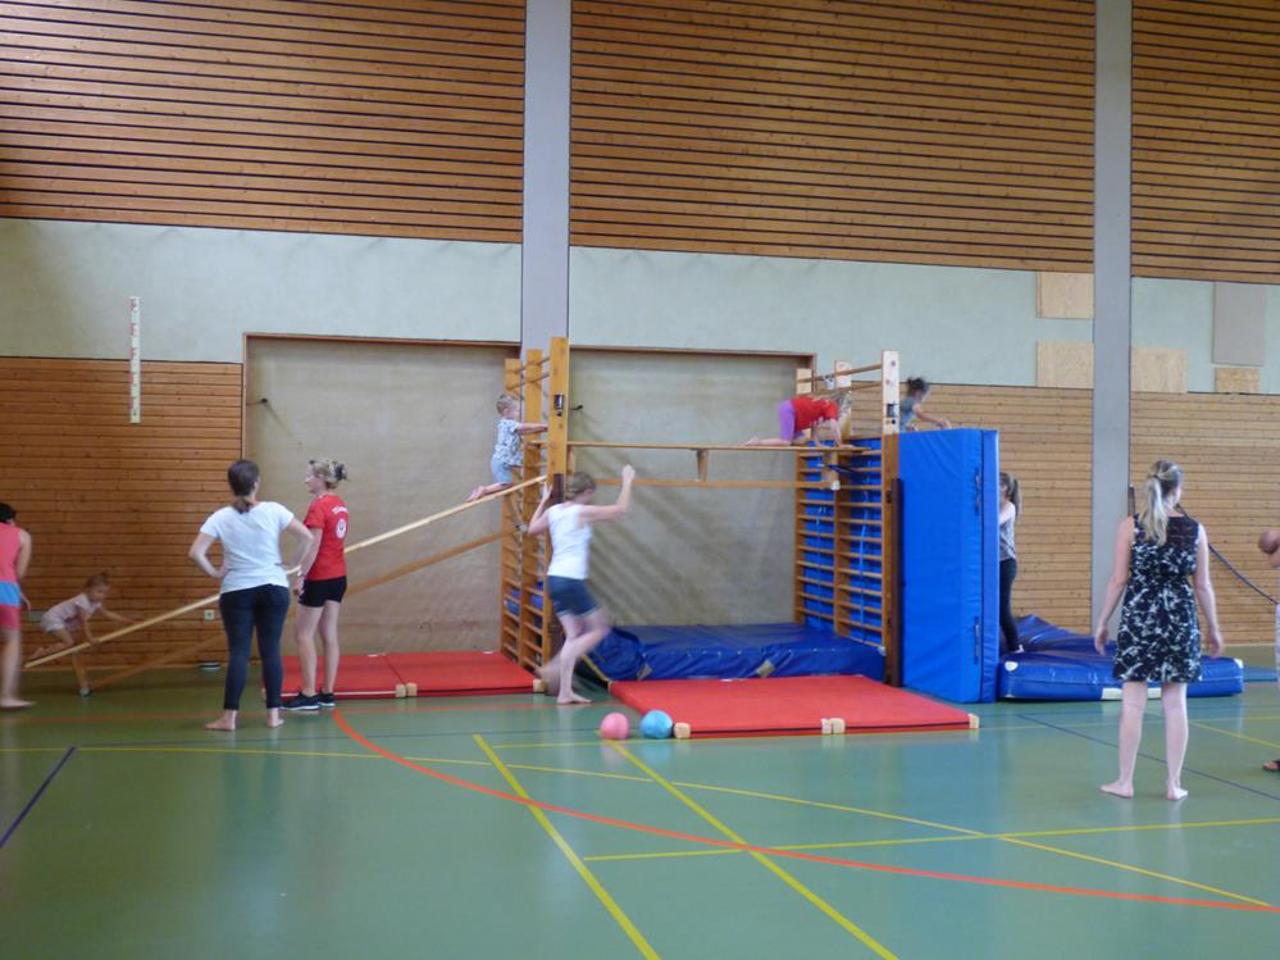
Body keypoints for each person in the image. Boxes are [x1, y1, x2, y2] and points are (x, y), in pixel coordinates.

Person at [1092, 460, 1223, 801]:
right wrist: (1214, 628)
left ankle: (1125, 781)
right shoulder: (1195, 530)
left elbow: (1118, 579)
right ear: (1177, 490)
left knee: (1133, 703)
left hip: (1141, 618)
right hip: (1180, 619)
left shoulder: (1131, 527)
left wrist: (1103, 621)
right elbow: (1203, 585)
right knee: (1176, 704)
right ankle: (1173, 784)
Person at [189, 460, 315, 732]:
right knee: (270, 651)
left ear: (231, 486)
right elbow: (307, 537)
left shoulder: (220, 517)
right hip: (273, 586)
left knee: (239, 652)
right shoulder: (274, 510)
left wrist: (215, 572)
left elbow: (196, 552)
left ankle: (229, 718)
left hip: (236, 590)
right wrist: (291, 564)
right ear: (256, 483)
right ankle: (273, 716)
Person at [527, 467, 635, 705]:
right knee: (599, 628)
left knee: (574, 633)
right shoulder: (580, 511)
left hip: (554, 579)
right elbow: (620, 510)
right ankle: (554, 667)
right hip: (570, 580)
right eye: (590, 495)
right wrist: (627, 481)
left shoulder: (554, 511)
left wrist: (543, 502)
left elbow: (531, 529)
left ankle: (565, 692)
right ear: (586, 492)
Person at [285, 459, 349, 712]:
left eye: (309, 476)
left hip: (319, 577)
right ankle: (327, 692)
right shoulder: (340, 504)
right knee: (329, 633)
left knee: (303, 634)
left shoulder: (319, 506)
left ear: (322, 478)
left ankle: (309, 693)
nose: (306, 480)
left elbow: (313, 546)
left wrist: (301, 575)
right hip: (338, 576)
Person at [32, 572, 136, 695]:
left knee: (72, 644)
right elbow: (83, 622)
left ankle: (45, 652)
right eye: (99, 592)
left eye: (104, 593)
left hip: (63, 622)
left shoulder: (96, 603)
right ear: (87, 590)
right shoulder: (82, 601)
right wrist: (90, 638)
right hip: (53, 619)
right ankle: (41, 652)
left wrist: (129, 621)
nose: (102, 596)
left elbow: (108, 614)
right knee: (69, 643)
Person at [467, 393, 547, 502]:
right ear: (507, 412)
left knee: (506, 483)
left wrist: (541, 429)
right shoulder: (509, 424)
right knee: (506, 484)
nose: (519, 413)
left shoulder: (505, 425)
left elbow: (524, 431)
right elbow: (524, 427)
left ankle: (477, 493)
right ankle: (484, 490)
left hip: (501, 461)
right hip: (501, 462)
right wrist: (542, 425)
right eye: (517, 410)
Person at [0, 503, 33, 710]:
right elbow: (18, 573)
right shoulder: (22, 535)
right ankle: (5, 696)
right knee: (11, 641)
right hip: (6, 591)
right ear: (10, 519)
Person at [746, 392, 850, 446]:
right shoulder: (831, 405)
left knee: (801, 440)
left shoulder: (822, 408)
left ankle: (785, 439)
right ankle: (758, 442)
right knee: (785, 442)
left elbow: (814, 428)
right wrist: (840, 444)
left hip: (792, 412)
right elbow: (834, 426)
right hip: (790, 409)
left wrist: (818, 444)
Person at [998, 473, 1022, 655]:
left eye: (997, 483)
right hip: (993, 563)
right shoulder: (993, 505)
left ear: (1005, 488)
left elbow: (994, 522)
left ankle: (1016, 647)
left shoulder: (1008, 506)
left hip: (1005, 563)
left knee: (1002, 608)